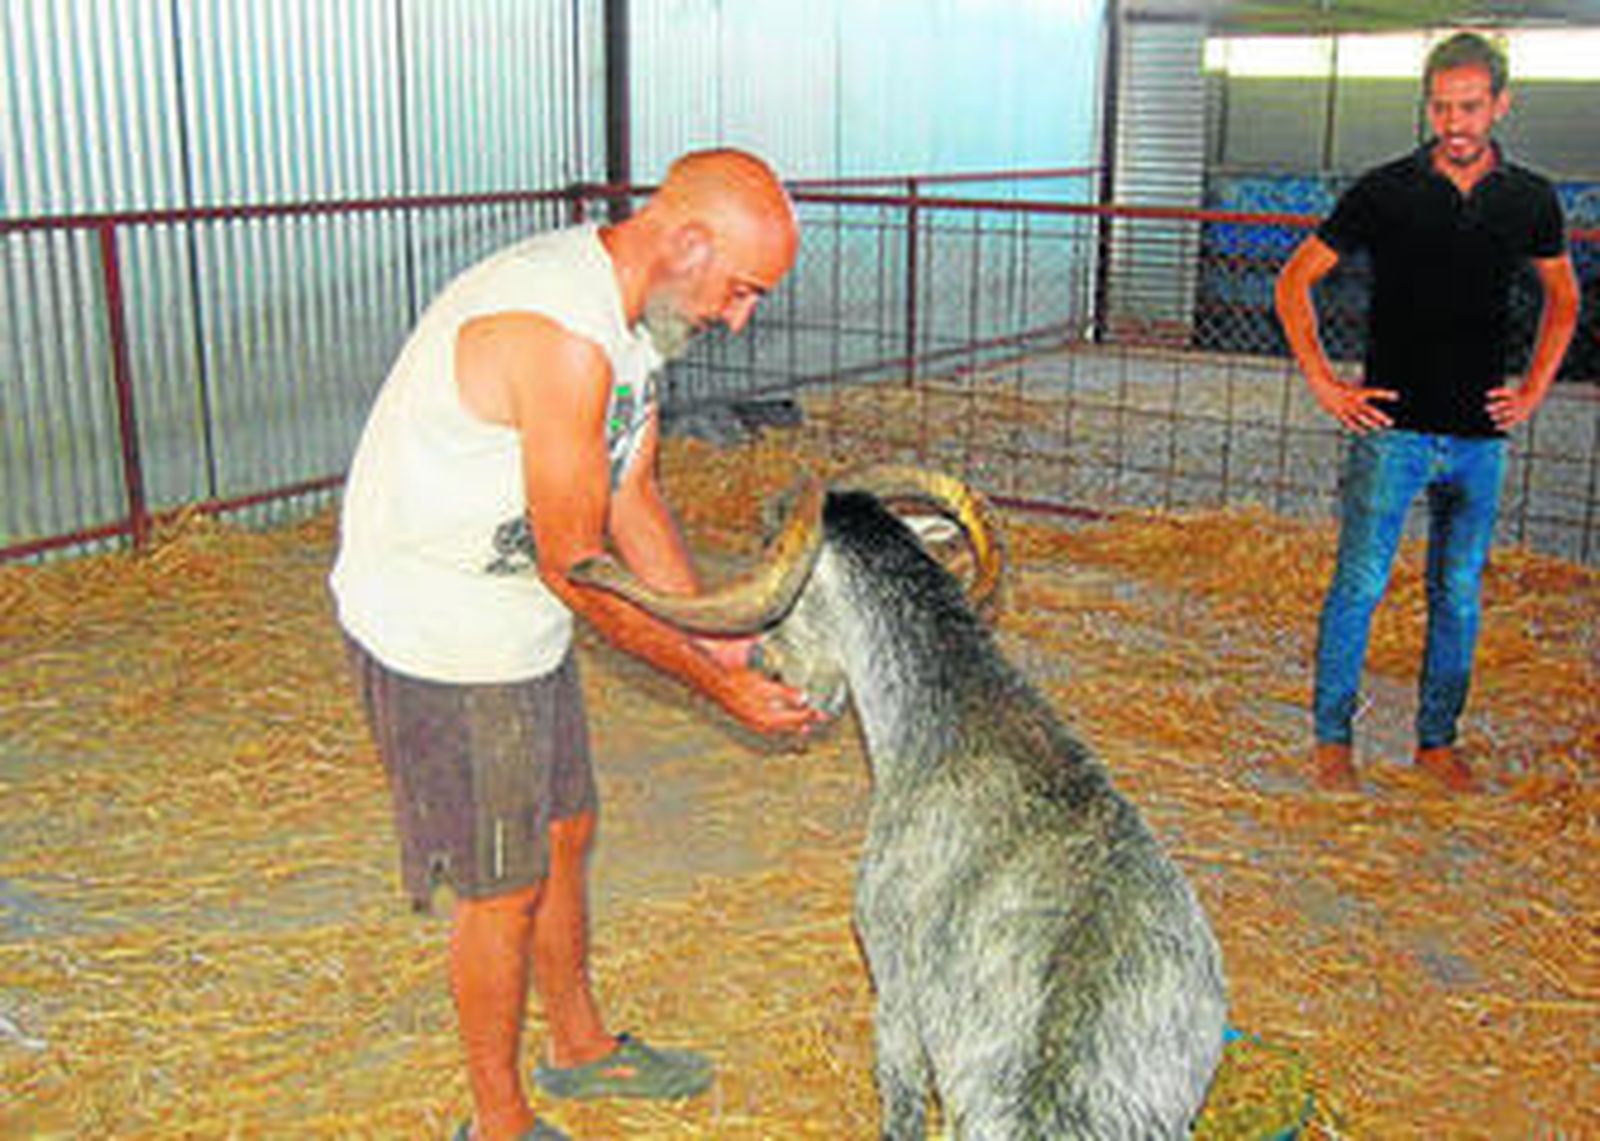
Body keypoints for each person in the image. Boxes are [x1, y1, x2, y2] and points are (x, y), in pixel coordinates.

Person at [330, 148, 827, 1141]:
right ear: (688, 241)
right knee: (502, 887)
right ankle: (499, 1124)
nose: (740, 318)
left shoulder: (636, 321)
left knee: (562, 835)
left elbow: (630, 491)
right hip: (444, 633)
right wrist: (711, 688)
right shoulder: (560, 333)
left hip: (515, 617)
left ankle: (579, 1048)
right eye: (739, 290)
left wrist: (720, 638)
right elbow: (577, 562)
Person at [1275, 31, 1578, 794]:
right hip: (1393, 431)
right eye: (1442, 106)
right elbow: (1294, 282)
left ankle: (1436, 743)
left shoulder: (1530, 200)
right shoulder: (1384, 191)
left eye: (1471, 106)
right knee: (1360, 584)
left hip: (1482, 438)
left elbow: (1564, 300)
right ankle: (1332, 743)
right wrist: (1326, 382)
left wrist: (1534, 390)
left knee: (1460, 592)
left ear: (1501, 104)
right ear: (1429, 105)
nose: (1455, 122)